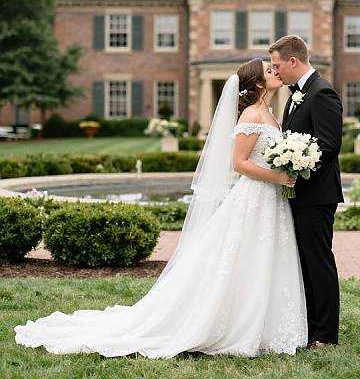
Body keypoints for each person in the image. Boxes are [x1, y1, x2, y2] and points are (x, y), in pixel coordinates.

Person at [14, 59, 308, 358]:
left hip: (271, 199)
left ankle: (267, 324)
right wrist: (279, 176)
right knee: (241, 258)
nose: (276, 71)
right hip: (254, 197)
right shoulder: (251, 114)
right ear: (258, 82)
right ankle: (233, 324)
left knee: (262, 257)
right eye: (269, 70)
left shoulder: (270, 113)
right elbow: (239, 164)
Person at [269, 35, 343, 349]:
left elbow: (329, 146)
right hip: (301, 195)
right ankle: (310, 327)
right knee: (304, 263)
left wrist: (296, 172)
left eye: (277, 65)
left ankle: (325, 336)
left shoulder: (322, 92)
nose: (275, 72)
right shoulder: (296, 94)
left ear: (293, 61)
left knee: (318, 263)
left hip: (317, 196)